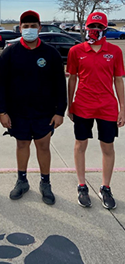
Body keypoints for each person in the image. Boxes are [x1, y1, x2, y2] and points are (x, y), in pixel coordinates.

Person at [0, 10, 67, 205]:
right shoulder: (10, 52)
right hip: (17, 112)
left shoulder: (50, 53)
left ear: (39, 28)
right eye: (25, 26)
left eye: (32, 26)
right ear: (20, 28)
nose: (29, 30)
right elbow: (0, 84)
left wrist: (60, 112)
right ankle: (22, 180)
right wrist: (2, 111)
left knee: (43, 146)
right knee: (21, 144)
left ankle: (45, 183)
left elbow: (60, 85)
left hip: (44, 112)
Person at [67, 12, 125, 210]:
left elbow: (118, 80)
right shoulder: (76, 51)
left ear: (105, 29)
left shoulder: (115, 52)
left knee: (107, 148)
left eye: (100, 27)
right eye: (93, 26)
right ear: (86, 27)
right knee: (80, 145)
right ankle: (82, 185)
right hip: (83, 106)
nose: (96, 30)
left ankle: (105, 187)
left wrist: (122, 108)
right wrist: (70, 103)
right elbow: (72, 78)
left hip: (107, 107)